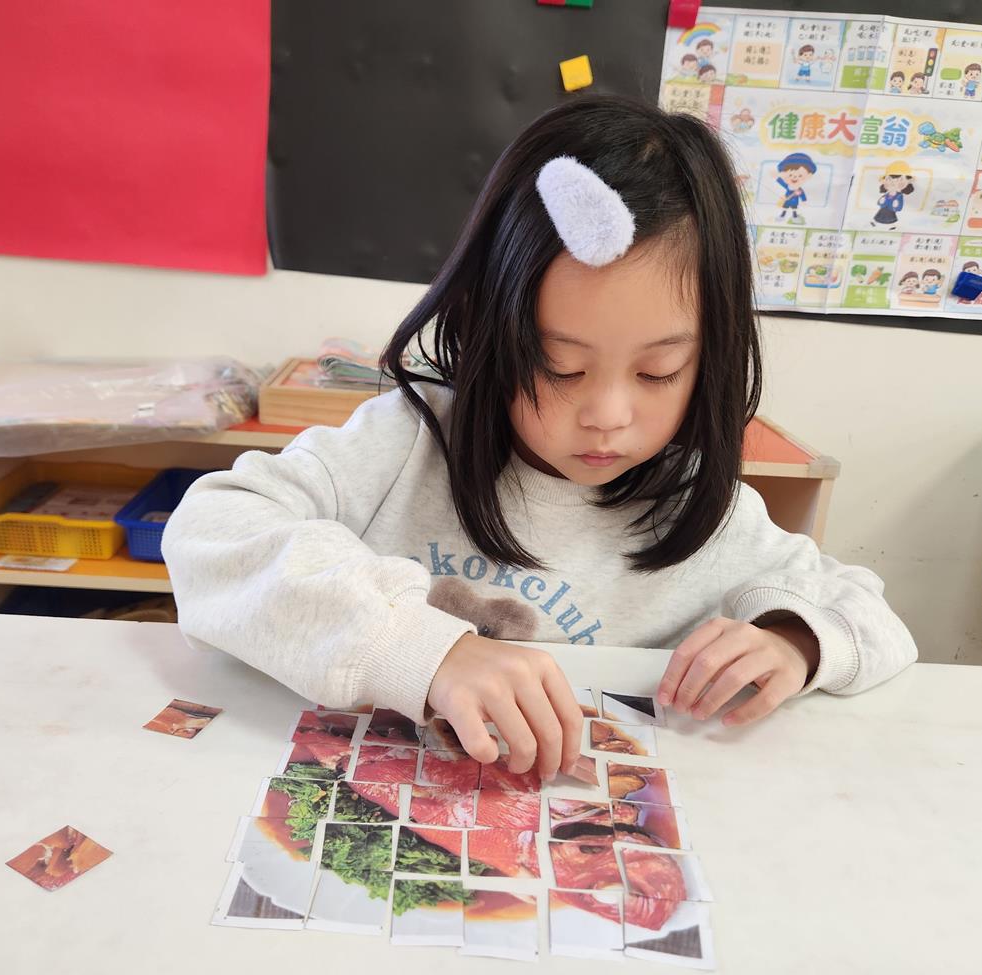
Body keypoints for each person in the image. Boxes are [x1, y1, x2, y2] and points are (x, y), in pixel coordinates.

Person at [163, 96, 917, 781]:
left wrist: (794, 641)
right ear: (490, 331)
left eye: (658, 371)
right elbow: (212, 529)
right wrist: (416, 648)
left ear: (710, 359)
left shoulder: (700, 508)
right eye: (561, 367)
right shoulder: (405, 445)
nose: (608, 414)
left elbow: (873, 619)